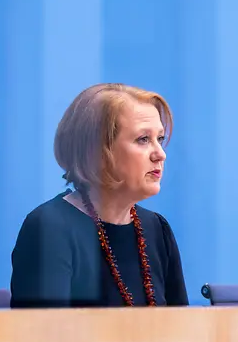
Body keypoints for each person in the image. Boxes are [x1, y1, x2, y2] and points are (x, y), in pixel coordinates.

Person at [10, 83, 189, 308]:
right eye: (143, 139)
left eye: (160, 139)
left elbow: (184, 333)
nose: (160, 154)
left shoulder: (157, 230)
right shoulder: (50, 229)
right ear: (97, 151)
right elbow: (46, 338)